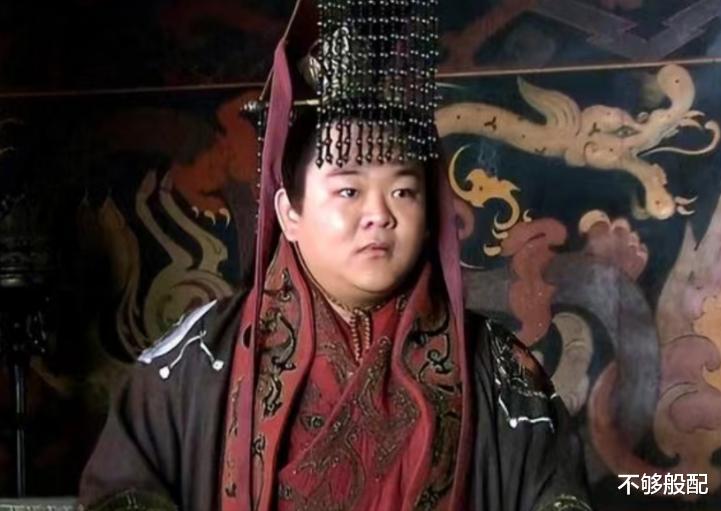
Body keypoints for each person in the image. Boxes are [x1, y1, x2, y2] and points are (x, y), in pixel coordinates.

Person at [78, 1, 592, 510]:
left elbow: (558, 497)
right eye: (349, 191)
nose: (379, 215)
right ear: (289, 213)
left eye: (403, 192)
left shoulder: (496, 367)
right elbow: (121, 491)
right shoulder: (200, 357)